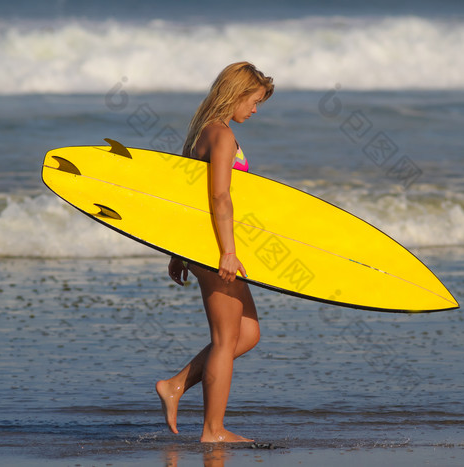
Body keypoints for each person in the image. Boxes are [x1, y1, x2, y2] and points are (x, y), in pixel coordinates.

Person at [155, 62, 274, 443]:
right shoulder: (221, 136)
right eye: (254, 101)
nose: (255, 110)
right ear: (236, 94)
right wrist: (227, 252)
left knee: (248, 333)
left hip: (203, 244)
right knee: (226, 339)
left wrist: (178, 252)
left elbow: (186, 199)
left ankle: (175, 385)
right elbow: (219, 197)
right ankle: (213, 430)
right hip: (215, 248)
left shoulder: (201, 135)